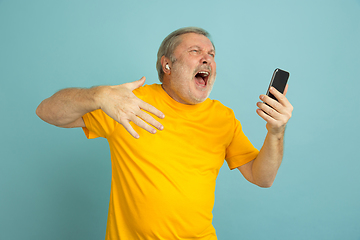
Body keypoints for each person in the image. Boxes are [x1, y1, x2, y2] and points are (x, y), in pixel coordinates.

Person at [36, 27, 293, 240]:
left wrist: (276, 132)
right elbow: (46, 111)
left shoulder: (223, 118)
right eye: (196, 51)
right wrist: (99, 95)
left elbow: (263, 177)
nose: (208, 58)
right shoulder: (127, 103)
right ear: (167, 65)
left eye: (211, 54)